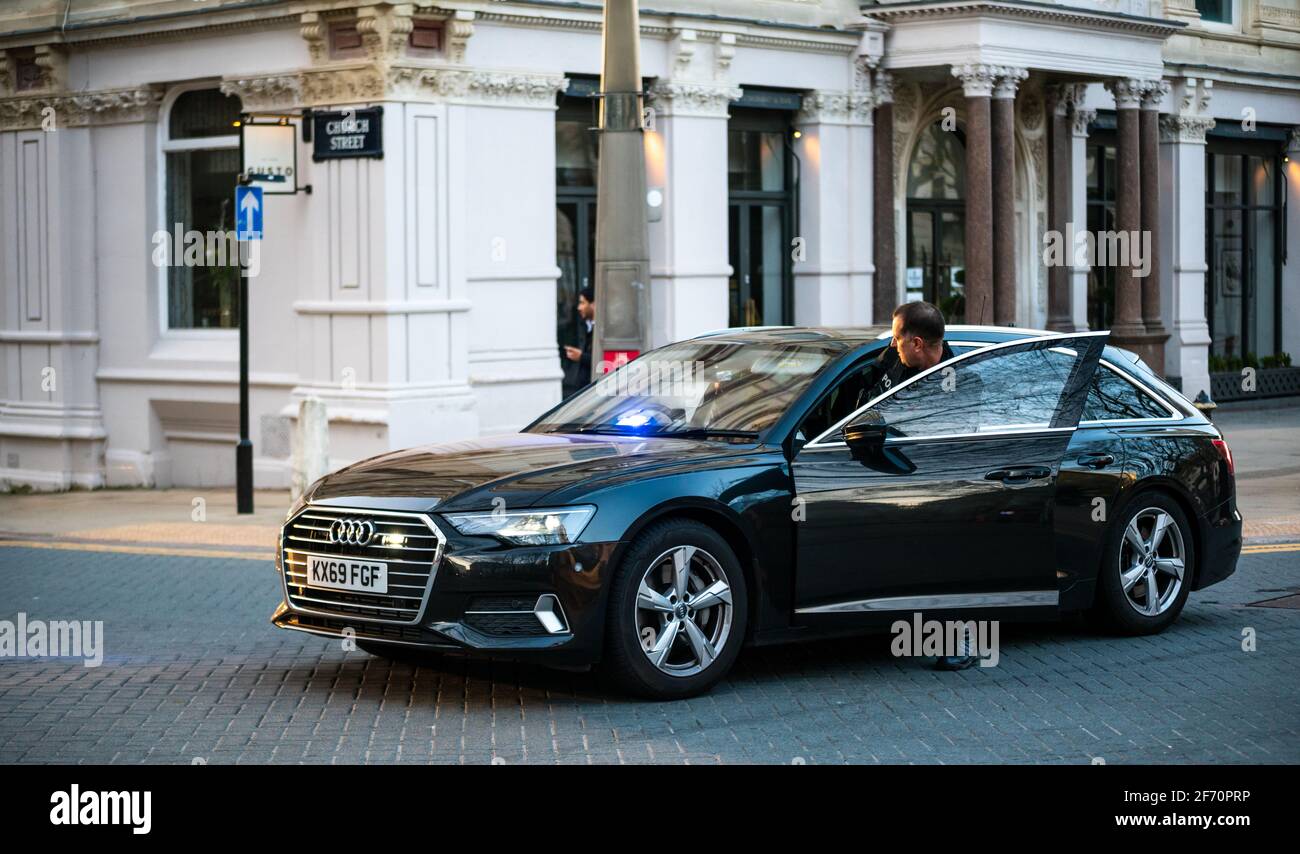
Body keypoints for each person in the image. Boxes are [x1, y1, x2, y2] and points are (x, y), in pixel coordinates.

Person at [860, 301, 976, 672]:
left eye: (898, 339)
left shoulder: (964, 382)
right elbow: (866, 413)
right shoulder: (891, 365)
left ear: (918, 343)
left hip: (944, 487)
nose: (892, 345)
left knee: (945, 560)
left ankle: (961, 640)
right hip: (893, 480)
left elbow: (962, 440)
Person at [561, 287, 594, 399]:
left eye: (582, 303)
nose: (579, 308)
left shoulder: (599, 329)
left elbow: (602, 359)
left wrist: (581, 357)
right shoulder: (584, 325)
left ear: (593, 304)